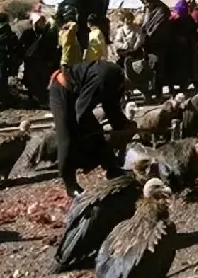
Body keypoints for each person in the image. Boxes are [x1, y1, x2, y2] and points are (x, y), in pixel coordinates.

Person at [48, 60, 136, 197]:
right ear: (127, 76)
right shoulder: (106, 76)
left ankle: (112, 169)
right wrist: (95, 131)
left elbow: (111, 109)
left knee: (97, 134)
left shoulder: (117, 84)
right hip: (61, 90)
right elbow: (81, 112)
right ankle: (70, 185)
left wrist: (125, 126)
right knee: (67, 138)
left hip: (77, 96)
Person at [17, 13, 59, 106]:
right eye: (40, 22)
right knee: (31, 80)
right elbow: (21, 46)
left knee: (42, 80)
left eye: (43, 22)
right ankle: (33, 99)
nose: (42, 24)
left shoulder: (47, 34)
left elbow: (50, 47)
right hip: (31, 61)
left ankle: (41, 99)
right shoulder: (28, 33)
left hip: (42, 61)